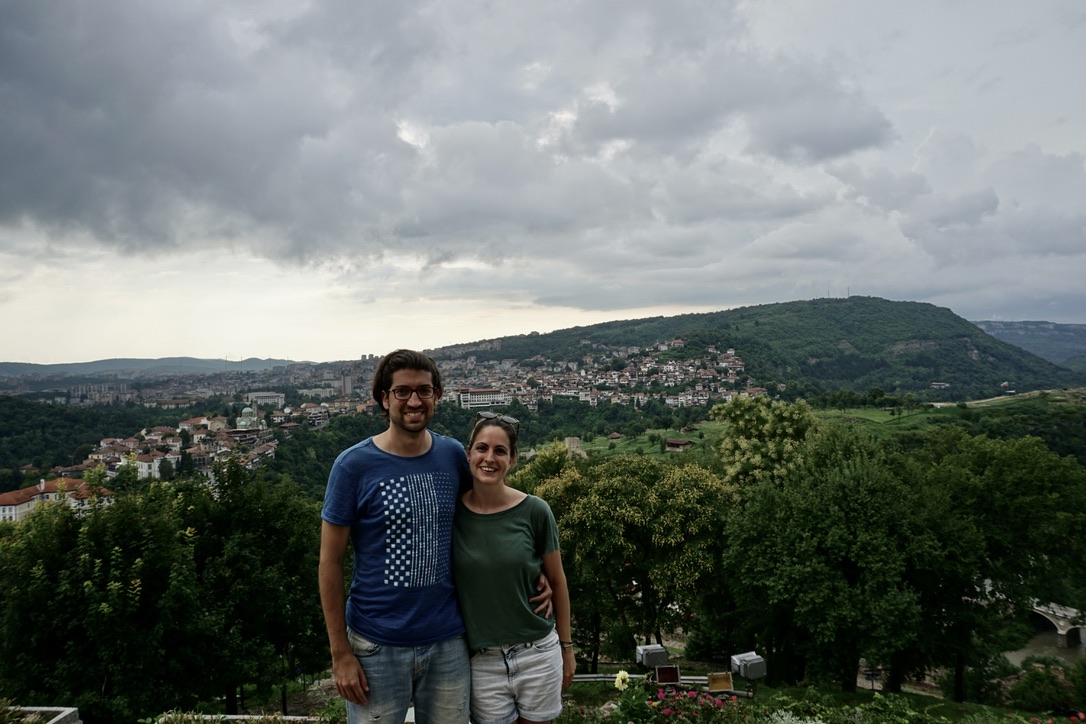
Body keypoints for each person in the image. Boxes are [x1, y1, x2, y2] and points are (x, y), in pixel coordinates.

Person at [319, 349, 550, 724]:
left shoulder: (452, 455)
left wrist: (532, 571)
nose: (414, 401)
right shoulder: (352, 467)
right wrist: (340, 653)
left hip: (448, 642)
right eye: (403, 392)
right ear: (384, 398)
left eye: (424, 391)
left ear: (437, 396)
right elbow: (329, 562)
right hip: (376, 644)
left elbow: (485, 516)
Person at [453, 411, 575, 724]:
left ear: (513, 459)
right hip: (483, 660)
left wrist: (567, 647)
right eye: (481, 448)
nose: (489, 458)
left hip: (537, 651)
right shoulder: (451, 514)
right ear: (469, 454)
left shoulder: (535, 511)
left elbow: (557, 582)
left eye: (500, 451)